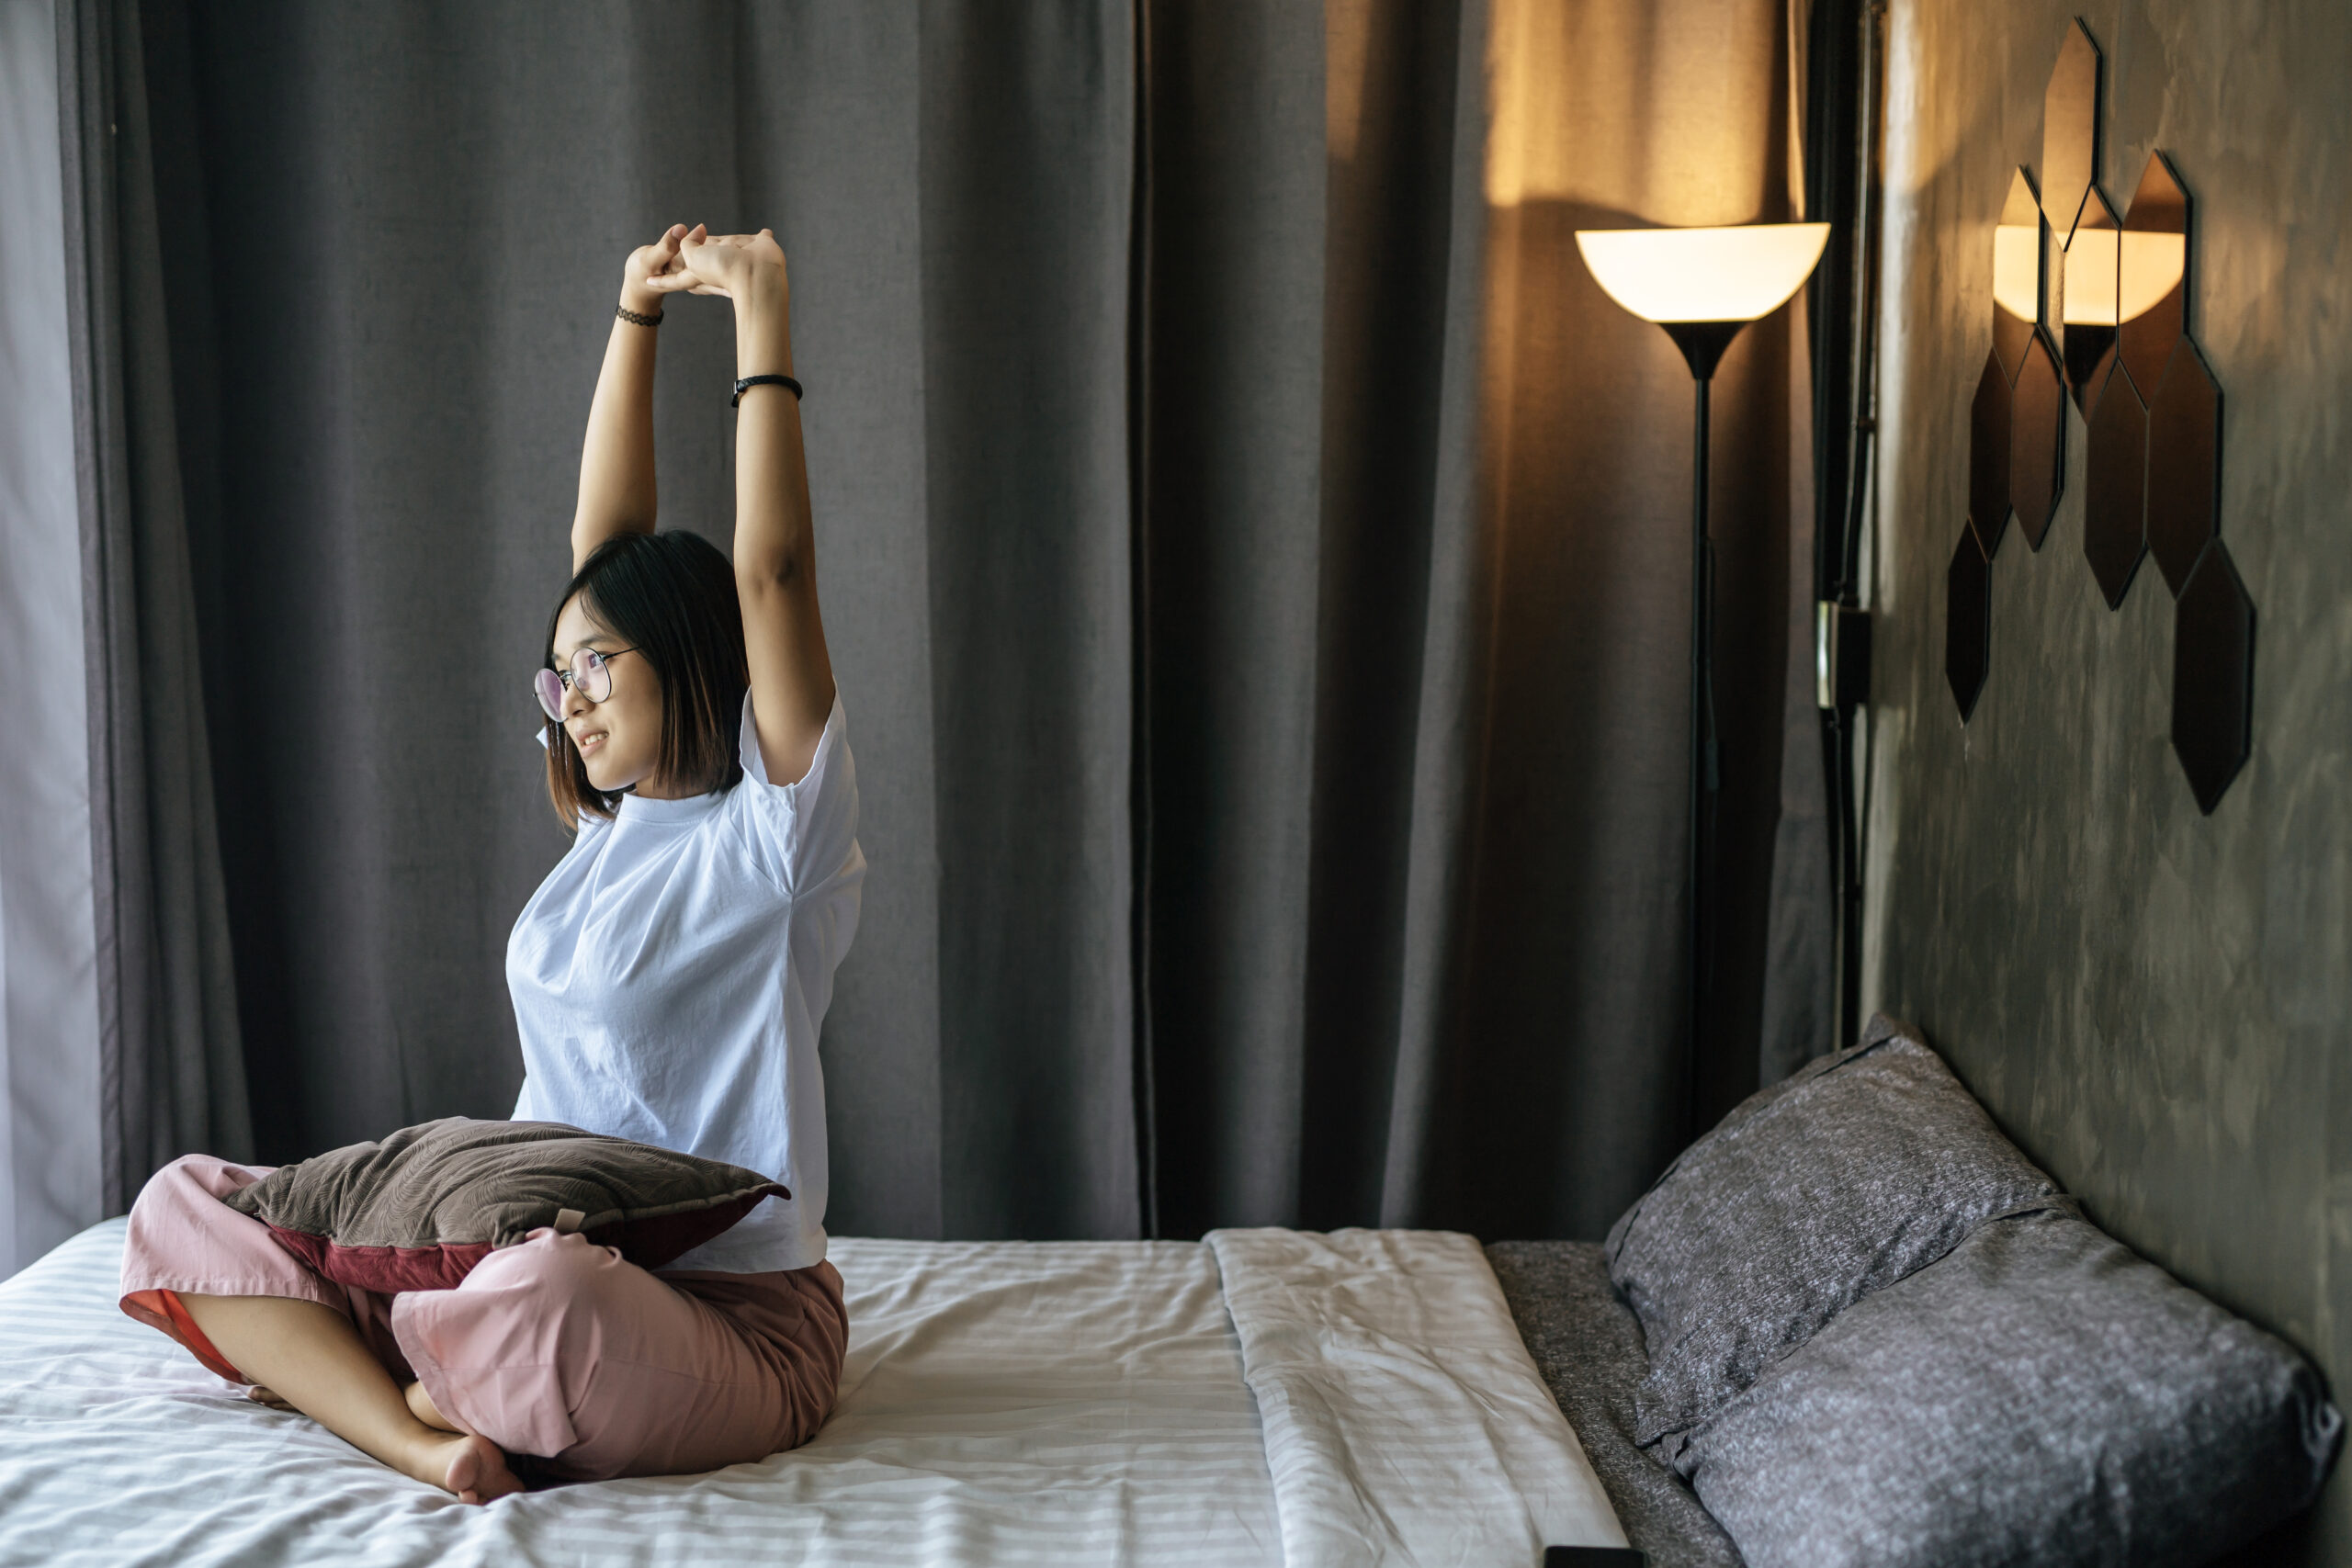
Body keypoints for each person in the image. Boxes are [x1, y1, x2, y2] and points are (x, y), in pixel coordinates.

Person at [115, 223, 864, 1502]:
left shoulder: (773, 837)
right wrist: (632, 313)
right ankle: (422, 1430)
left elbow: (774, 570)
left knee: (543, 1298)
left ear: (689, 654)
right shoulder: (602, 832)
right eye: (556, 671)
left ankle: (399, 1358)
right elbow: (597, 553)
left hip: (722, 1320)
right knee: (184, 1204)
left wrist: (759, 317)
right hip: (503, 1252)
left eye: (598, 666)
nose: (569, 697)